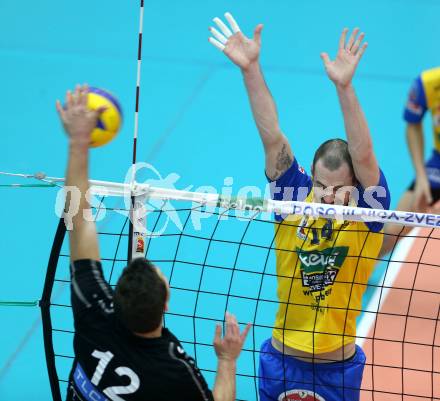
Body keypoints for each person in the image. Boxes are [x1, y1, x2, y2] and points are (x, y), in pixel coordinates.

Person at [209, 13, 390, 401]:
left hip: (337, 369)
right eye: (321, 187)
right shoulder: (294, 197)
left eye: (338, 190)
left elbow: (364, 152)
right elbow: (271, 134)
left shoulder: (369, 209)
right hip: (282, 360)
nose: (327, 198)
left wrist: (344, 88)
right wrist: (251, 70)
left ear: (356, 186)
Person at [56, 85, 250, 401]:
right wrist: (227, 361)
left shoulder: (93, 310)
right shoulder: (175, 372)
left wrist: (78, 141)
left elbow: (78, 220)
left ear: (114, 297)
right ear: (166, 304)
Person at [380, 67, 440, 257]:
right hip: (437, 164)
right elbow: (413, 125)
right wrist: (421, 177)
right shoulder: (428, 83)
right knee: (392, 232)